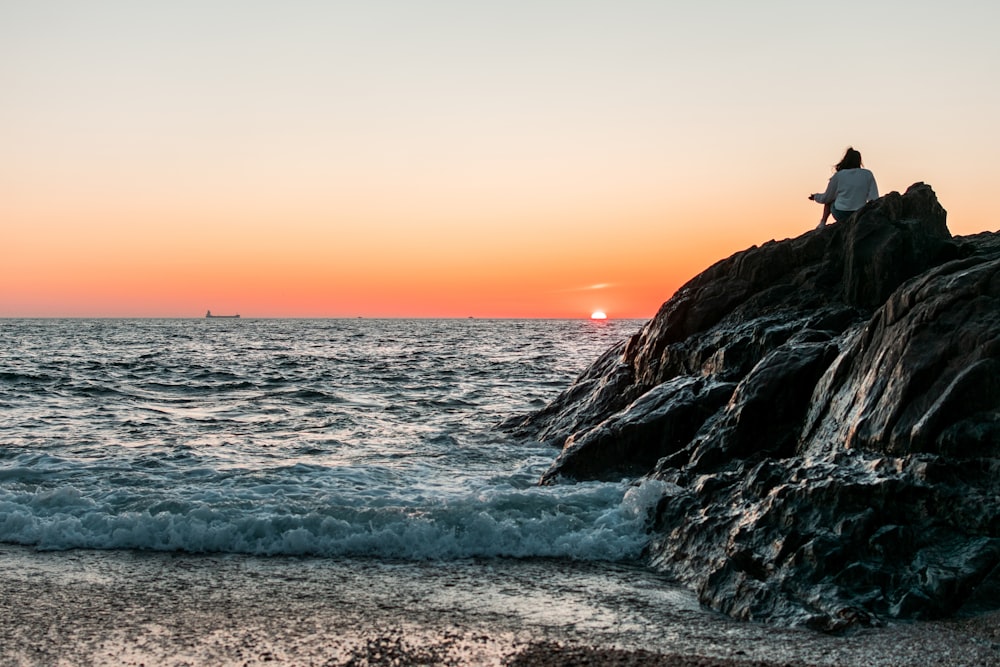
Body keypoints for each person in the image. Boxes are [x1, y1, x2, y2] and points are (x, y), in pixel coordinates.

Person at [808, 147, 879, 229]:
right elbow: (874, 198)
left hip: (841, 213)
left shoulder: (839, 175)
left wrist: (815, 196)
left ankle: (822, 223)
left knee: (830, 200)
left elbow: (826, 198)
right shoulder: (868, 174)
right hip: (860, 213)